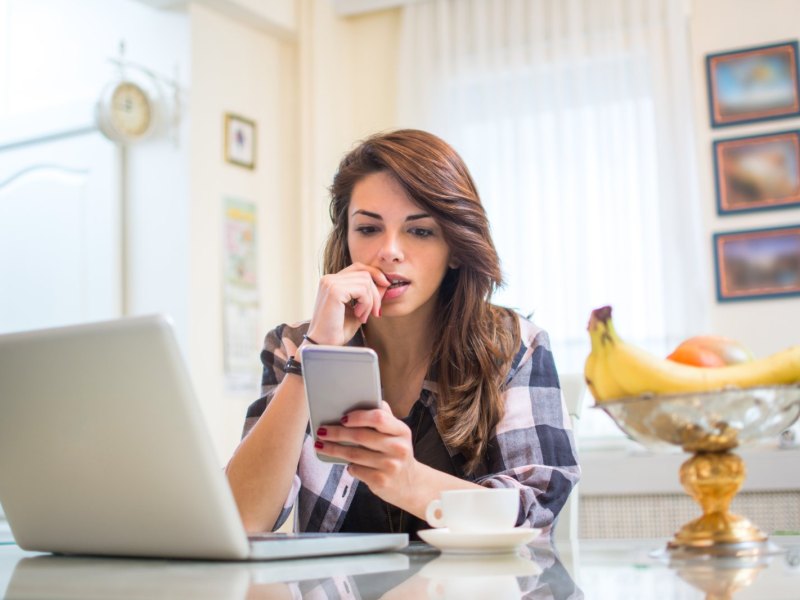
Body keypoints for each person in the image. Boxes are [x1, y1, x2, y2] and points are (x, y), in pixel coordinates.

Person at [225, 129, 580, 537]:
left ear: (455, 247)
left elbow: (534, 514)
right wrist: (314, 354)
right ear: (346, 239)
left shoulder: (514, 346)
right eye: (368, 229)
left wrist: (407, 480)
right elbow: (241, 521)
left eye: (420, 231)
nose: (389, 250)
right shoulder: (292, 346)